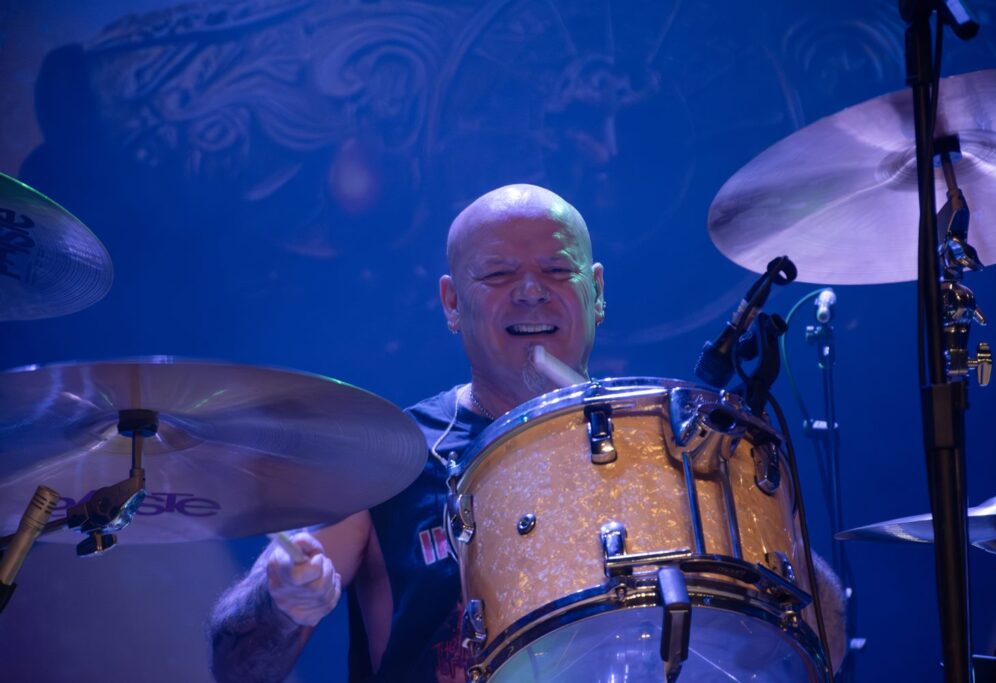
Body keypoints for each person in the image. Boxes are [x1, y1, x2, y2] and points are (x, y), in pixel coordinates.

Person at [208, 183, 845, 682]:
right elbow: (235, 667)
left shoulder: (674, 442)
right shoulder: (386, 456)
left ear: (597, 291)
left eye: (558, 271)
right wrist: (279, 601)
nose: (532, 292)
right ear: (452, 303)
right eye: (498, 275)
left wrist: (757, 525)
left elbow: (826, 648)